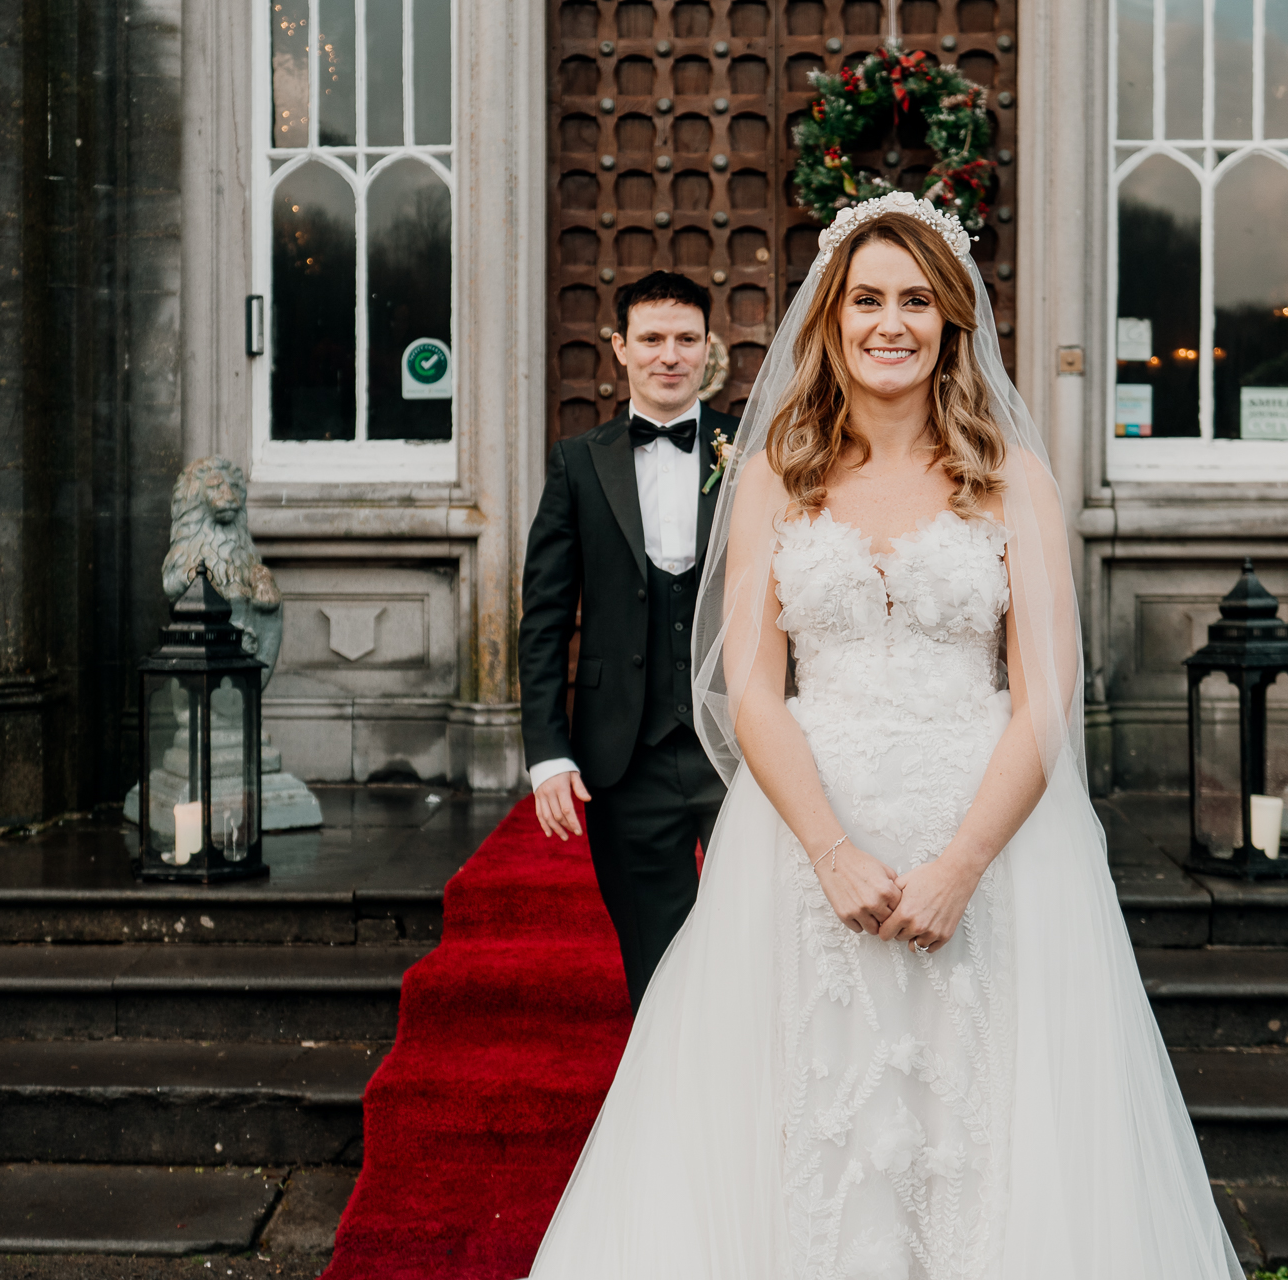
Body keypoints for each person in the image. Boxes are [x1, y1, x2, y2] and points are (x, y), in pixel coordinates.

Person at [525, 196, 1242, 1278]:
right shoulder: (775, 467)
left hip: (987, 847)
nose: (888, 322)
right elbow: (754, 690)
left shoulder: (1012, 475)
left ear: (952, 320)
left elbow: (1045, 694)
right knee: (807, 1110)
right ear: (834, 317)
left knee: (981, 1120)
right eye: (866, 298)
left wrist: (961, 863)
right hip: (810, 842)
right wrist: (828, 847)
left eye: (915, 299)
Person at [520, 271, 739, 1012]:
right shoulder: (577, 463)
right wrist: (549, 752)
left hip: (743, 746)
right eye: (651, 339)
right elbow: (545, 617)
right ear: (620, 347)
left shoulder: (759, 452)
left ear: (710, 348)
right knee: (656, 962)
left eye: (685, 339)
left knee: (768, 942)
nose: (668, 355)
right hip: (624, 756)